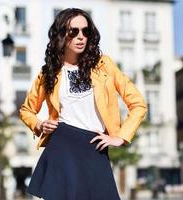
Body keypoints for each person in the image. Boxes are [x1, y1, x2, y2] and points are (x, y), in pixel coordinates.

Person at [19, 8, 147, 200]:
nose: (81, 37)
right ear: (61, 34)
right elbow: (26, 110)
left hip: (95, 146)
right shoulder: (49, 73)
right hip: (62, 146)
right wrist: (39, 124)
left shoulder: (103, 65)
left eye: (85, 31)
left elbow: (138, 103)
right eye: (74, 31)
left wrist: (120, 137)